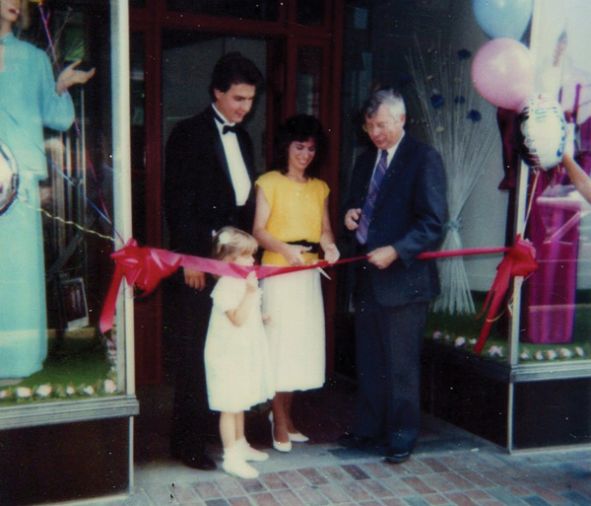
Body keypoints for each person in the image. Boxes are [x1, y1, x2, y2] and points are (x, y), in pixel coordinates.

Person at [164, 51, 263, 470]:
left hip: (235, 266)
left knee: (230, 349)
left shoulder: (242, 137)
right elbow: (177, 203)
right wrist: (191, 259)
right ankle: (187, 442)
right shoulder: (186, 134)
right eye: (238, 99)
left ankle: (227, 437)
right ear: (217, 93)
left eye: (250, 100)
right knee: (194, 352)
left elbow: (243, 204)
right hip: (199, 264)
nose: (245, 108)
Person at [340, 88, 447, 464]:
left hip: (405, 282)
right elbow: (355, 206)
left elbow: (434, 223)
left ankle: (402, 435)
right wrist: (349, 216)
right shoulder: (365, 161)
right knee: (369, 361)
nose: (375, 133)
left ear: (401, 120)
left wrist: (397, 250)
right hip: (367, 278)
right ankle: (369, 430)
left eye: (382, 124)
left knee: (401, 366)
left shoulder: (424, 159)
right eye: (370, 126)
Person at [0, 0, 94, 380]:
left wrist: (59, 87)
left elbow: (57, 117)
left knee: (19, 273)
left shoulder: (34, 58)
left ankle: (18, 361)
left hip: (18, 186)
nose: (15, 3)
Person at [252, 114, 340, 452]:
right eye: (299, 147)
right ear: (285, 147)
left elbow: (325, 229)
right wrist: (284, 249)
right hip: (277, 271)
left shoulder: (320, 188)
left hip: (307, 274)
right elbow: (259, 231)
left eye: (311, 148)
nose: (305, 154)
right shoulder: (269, 182)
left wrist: (329, 246)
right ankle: (278, 422)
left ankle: (285, 418)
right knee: (278, 347)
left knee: (298, 350)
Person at [204, 226, 274, 478]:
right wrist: (252, 294)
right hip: (226, 355)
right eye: (247, 256)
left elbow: (247, 314)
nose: (253, 260)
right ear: (228, 260)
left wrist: (260, 314)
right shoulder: (225, 285)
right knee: (229, 405)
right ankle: (230, 456)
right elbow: (236, 317)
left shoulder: (240, 281)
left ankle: (241, 444)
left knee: (239, 401)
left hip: (238, 351)